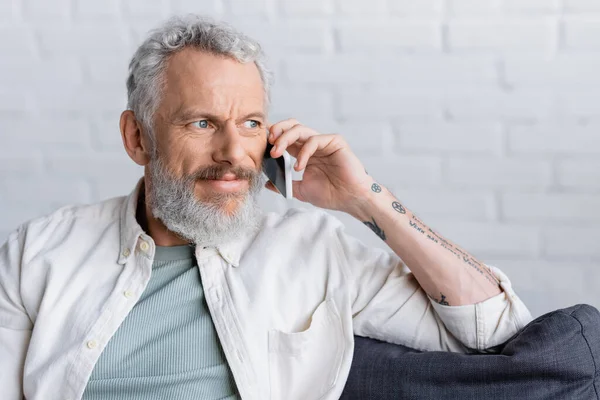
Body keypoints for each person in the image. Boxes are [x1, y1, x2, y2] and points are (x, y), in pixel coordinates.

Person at [0, 15, 532, 400]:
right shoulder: (39, 254)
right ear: (137, 138)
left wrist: (367, 199)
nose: (234, 154)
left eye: (251, 124)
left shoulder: (315, 252)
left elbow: (496, 330)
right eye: (202, 123)